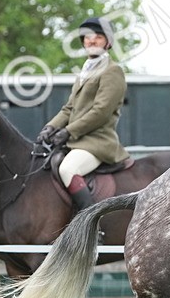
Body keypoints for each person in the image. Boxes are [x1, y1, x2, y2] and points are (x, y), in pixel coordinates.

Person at [37, 17, 130, 212]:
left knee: (67, 169)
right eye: (87, 37)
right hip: (76, 141)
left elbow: (101, 111)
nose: (91, 41)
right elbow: (69, 108)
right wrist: (50, 127)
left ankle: (90, 224)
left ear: (108, 42)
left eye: (98, 37)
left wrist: (69, 131)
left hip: (97, 142)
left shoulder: (112, 71)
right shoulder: (84, 73)